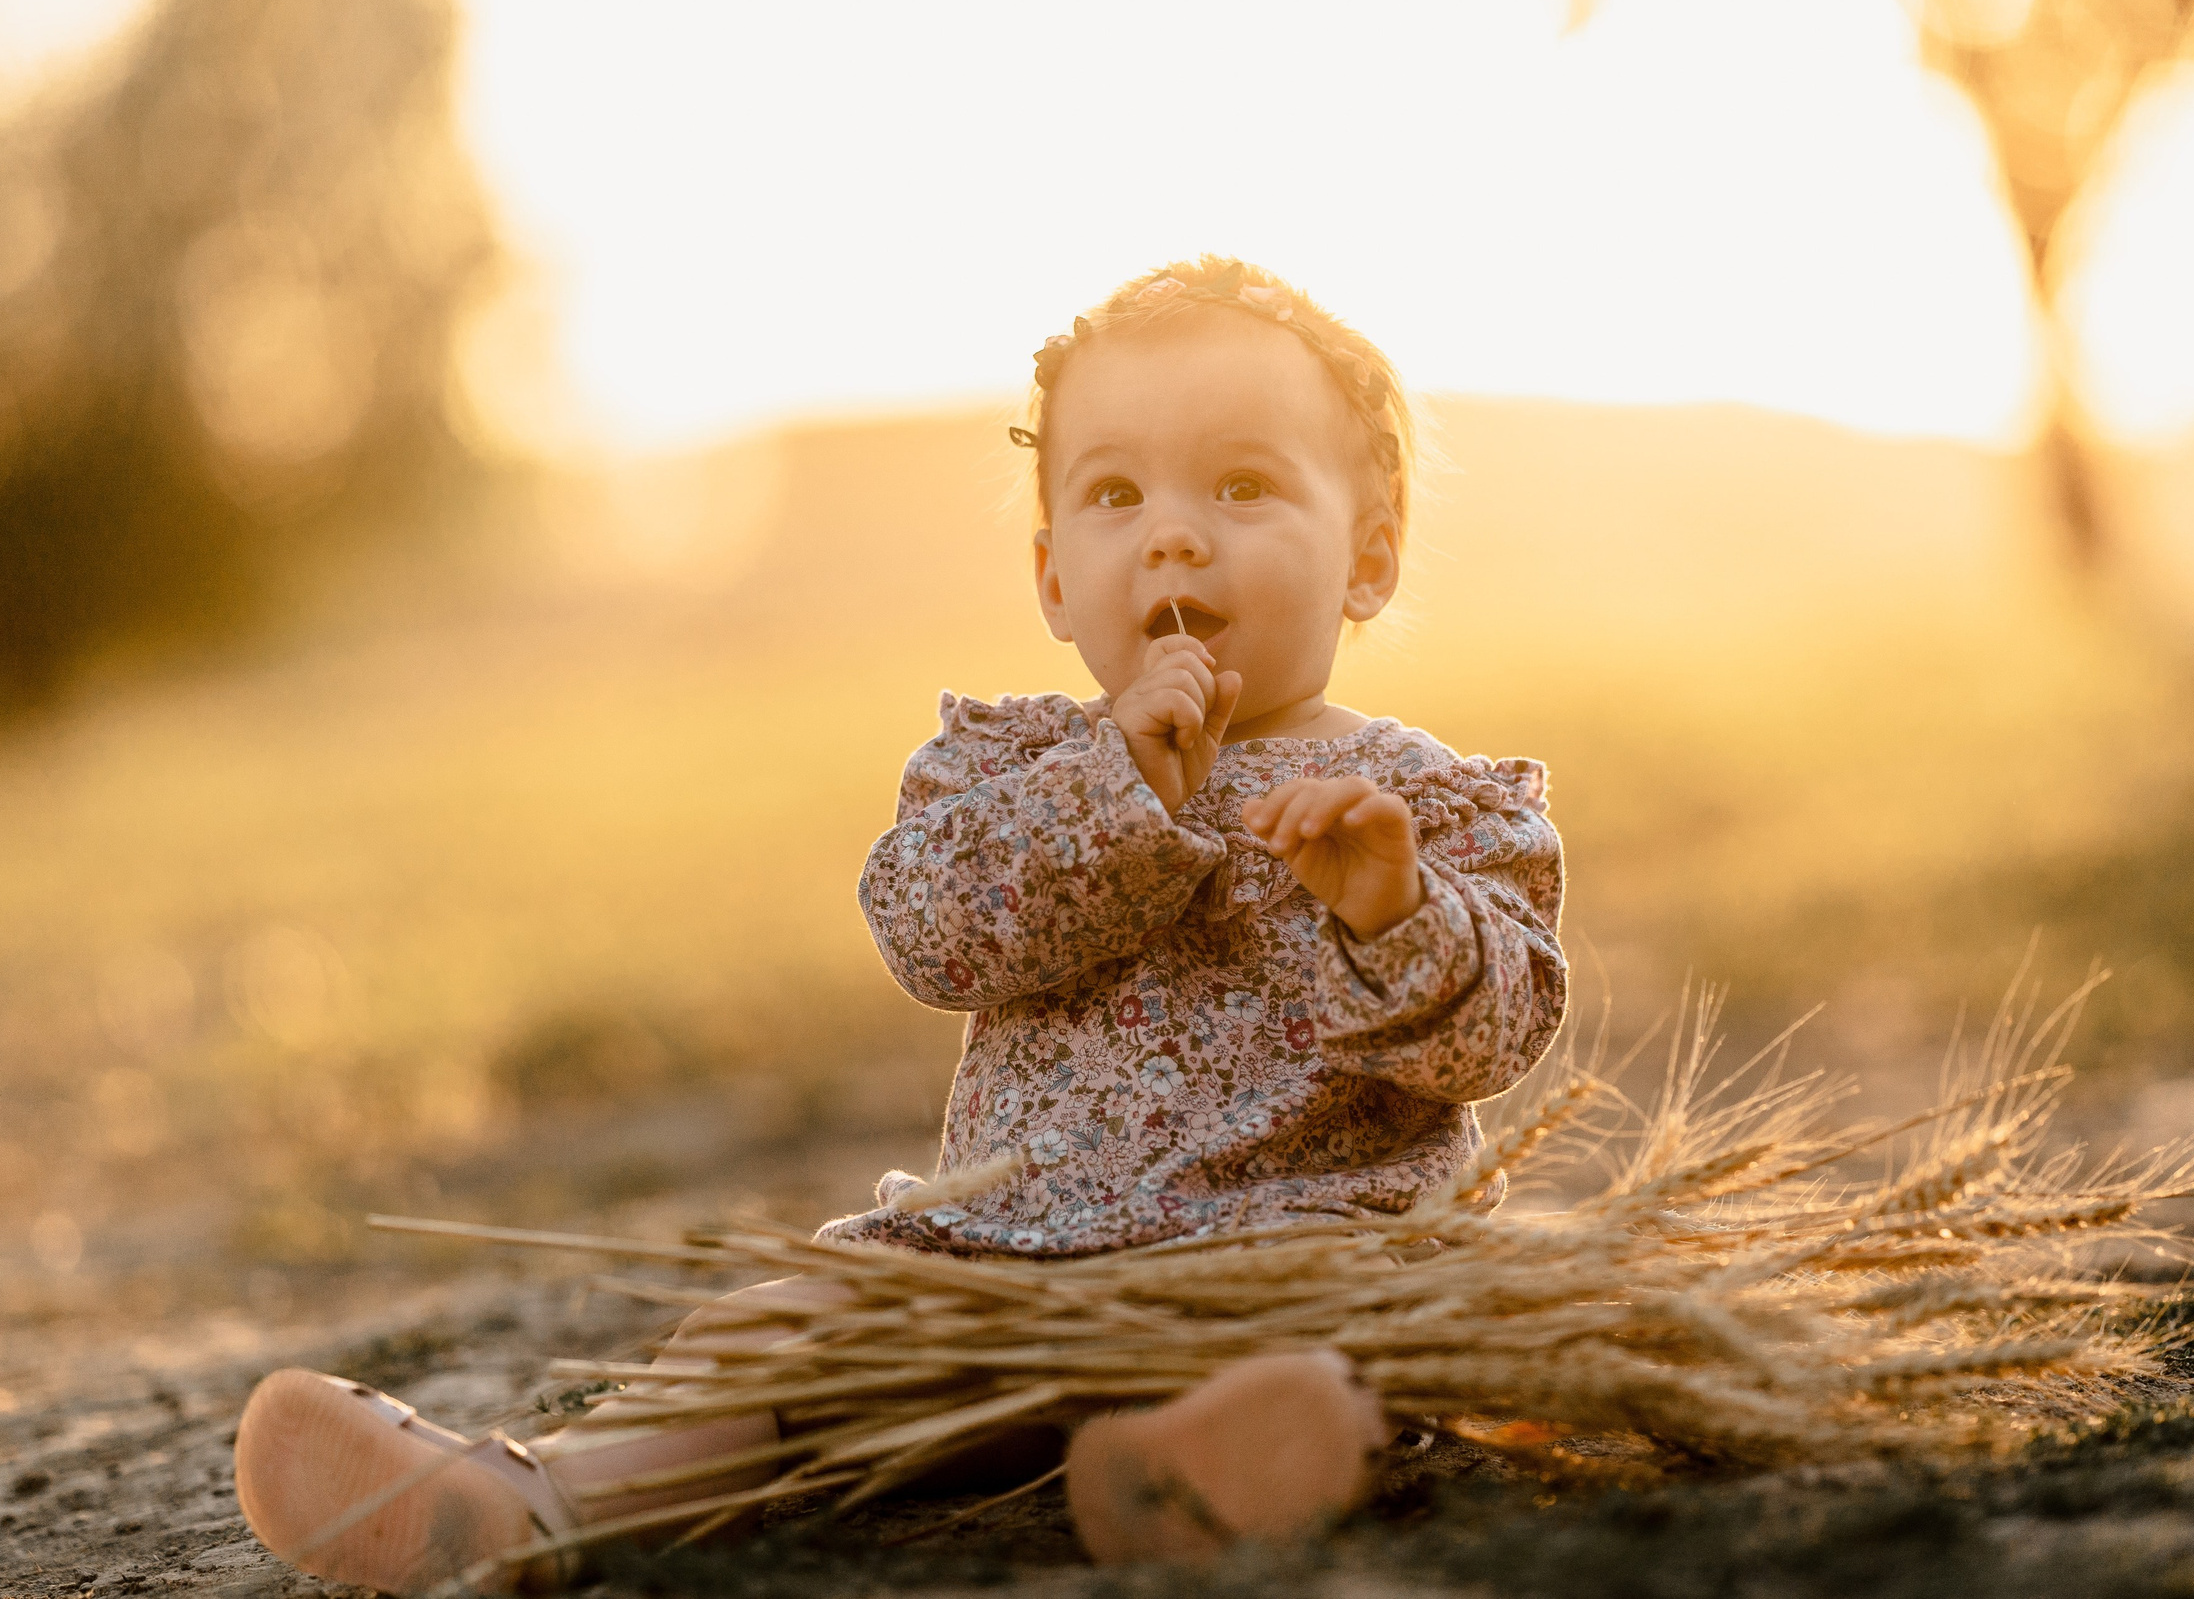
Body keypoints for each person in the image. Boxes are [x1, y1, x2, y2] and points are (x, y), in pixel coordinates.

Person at [231, 255, 1569, 1587]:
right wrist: (1113, 791)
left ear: (1371, 554)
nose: (1173, 534)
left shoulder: (1431, 806)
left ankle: (1187, 1471)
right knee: (778, 1327)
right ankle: (539, 1503)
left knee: (1335, 1367)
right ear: (1053, 579)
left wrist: (1392, 912)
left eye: (1242, 485)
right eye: (1116, 493)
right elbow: (931, 934)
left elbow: (1497, 1038)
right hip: (991, 1273)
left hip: (1279, 1264)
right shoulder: (1004, 771)